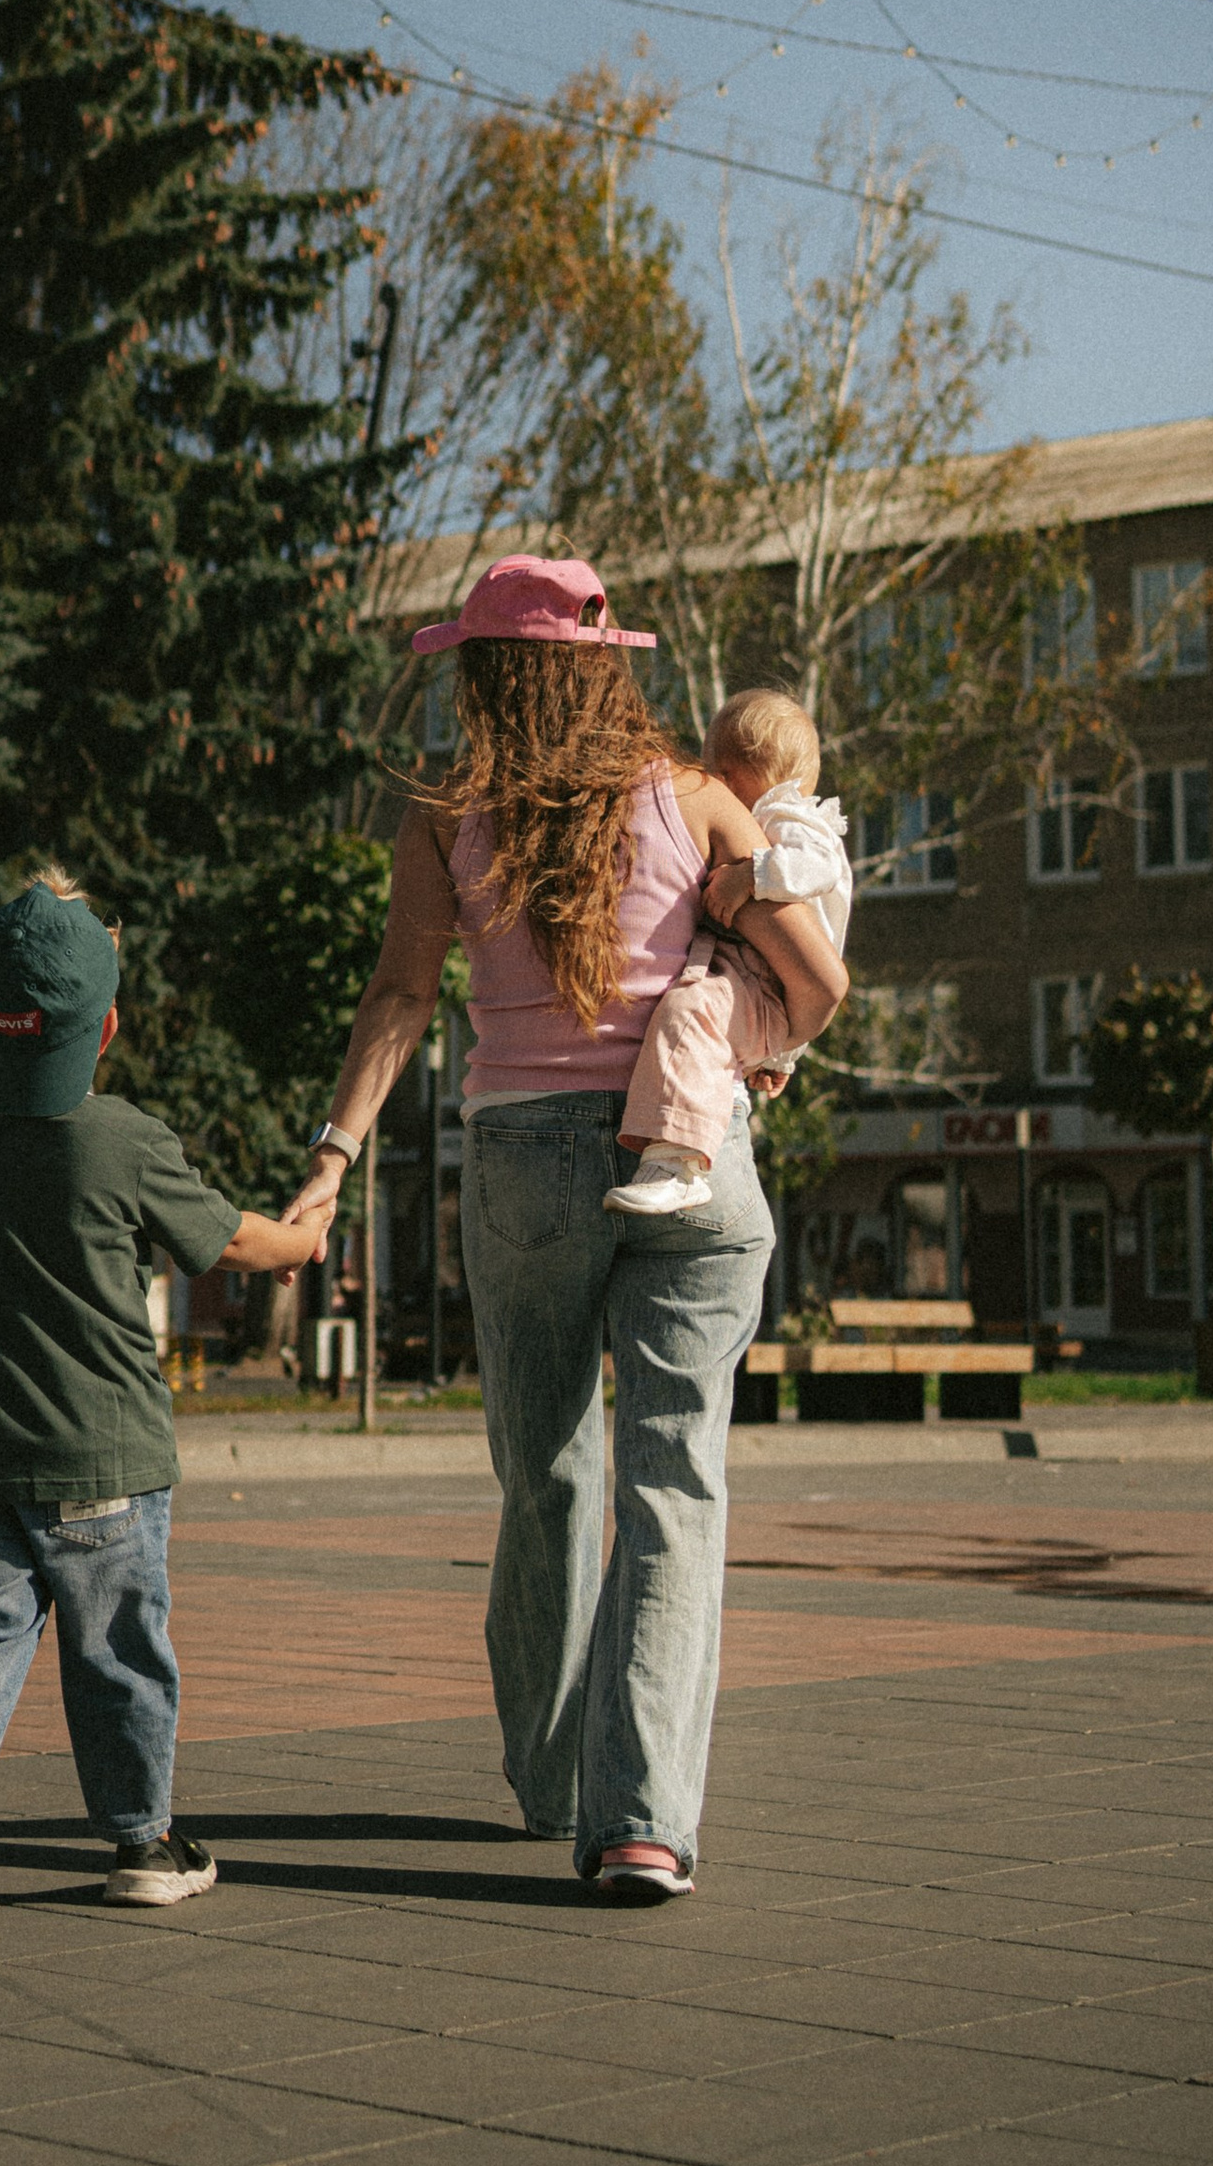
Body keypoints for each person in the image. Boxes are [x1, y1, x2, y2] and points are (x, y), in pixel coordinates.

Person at [289, 557, 847, 1901]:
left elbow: (400, 995)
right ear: (608, 670)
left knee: (547, 1473)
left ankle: (551, 1781)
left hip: (527, 1164)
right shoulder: (701, 799)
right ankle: (640, 1820)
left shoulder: (447, 815)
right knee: (676, 1486)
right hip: (691, 1162)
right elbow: (820, 980)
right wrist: (763, 1049)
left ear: (485, 677)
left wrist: (333, 1158)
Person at [0, 869, 332, 1943]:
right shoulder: (121, 1137)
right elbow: (229, 1239)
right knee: (117, 1643)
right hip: (102, 1456)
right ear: (105, 1026)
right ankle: (142, 1843)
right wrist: (304, 1238)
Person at [606, 687, 851, 1220]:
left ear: (738, 775)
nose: (711, 785)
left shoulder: (791, 818)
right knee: (695, 1012)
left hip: (764, 990)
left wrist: (749, 876)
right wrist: (781, 1058)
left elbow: (820, 867)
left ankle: (678, 1166)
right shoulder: (773, 817)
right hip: (760, 986)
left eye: (718, 773)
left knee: (690, 1013)